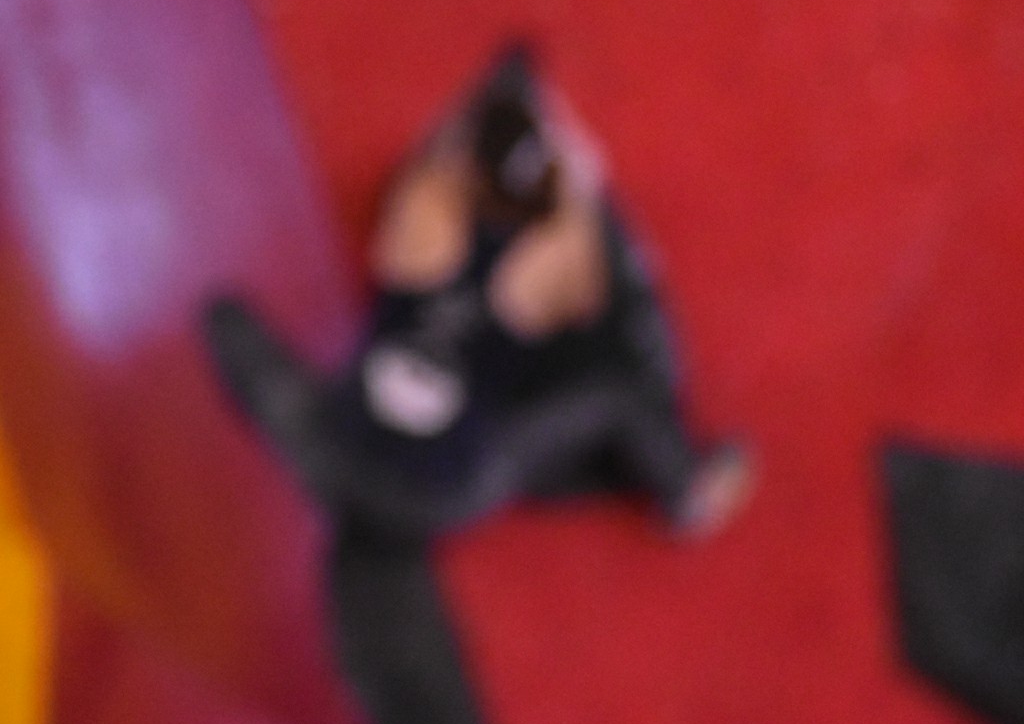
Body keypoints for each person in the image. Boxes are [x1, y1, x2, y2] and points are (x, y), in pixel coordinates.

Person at [206, 42, 751, 541]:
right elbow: (601, 283)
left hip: (358, 440)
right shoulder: (533, 266)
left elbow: (440, 159)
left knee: (228, 322)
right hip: (446, 485)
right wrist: (571, 169)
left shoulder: (424, 221)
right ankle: (686, 490)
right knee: (613, 390)